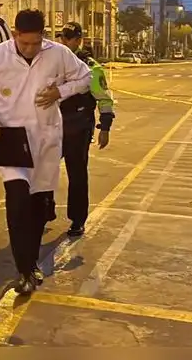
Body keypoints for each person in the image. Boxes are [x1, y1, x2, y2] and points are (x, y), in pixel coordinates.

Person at [0, 9, 91, 295]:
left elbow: (85, 78)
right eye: (24, 43)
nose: (30, 49)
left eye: (36, 43)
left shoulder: (58, 54)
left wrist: (61, 92)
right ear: (15, 34)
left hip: (45, 140)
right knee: (17, 199)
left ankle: (31, 262)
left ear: (43, 36)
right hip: (10, 139)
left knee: (38, 207)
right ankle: (23, 269)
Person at [51, 22, 115, 238]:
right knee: (44, 170)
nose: (63, 42)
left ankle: (77, 219)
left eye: (67, 38)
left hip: (78, 127)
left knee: (77, 174)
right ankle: (45, 210)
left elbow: (104, 99)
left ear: (78, 41)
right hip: (53, 125)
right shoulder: (53, 64)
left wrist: (105, 127)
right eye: (62, 38)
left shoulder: (91, 68)